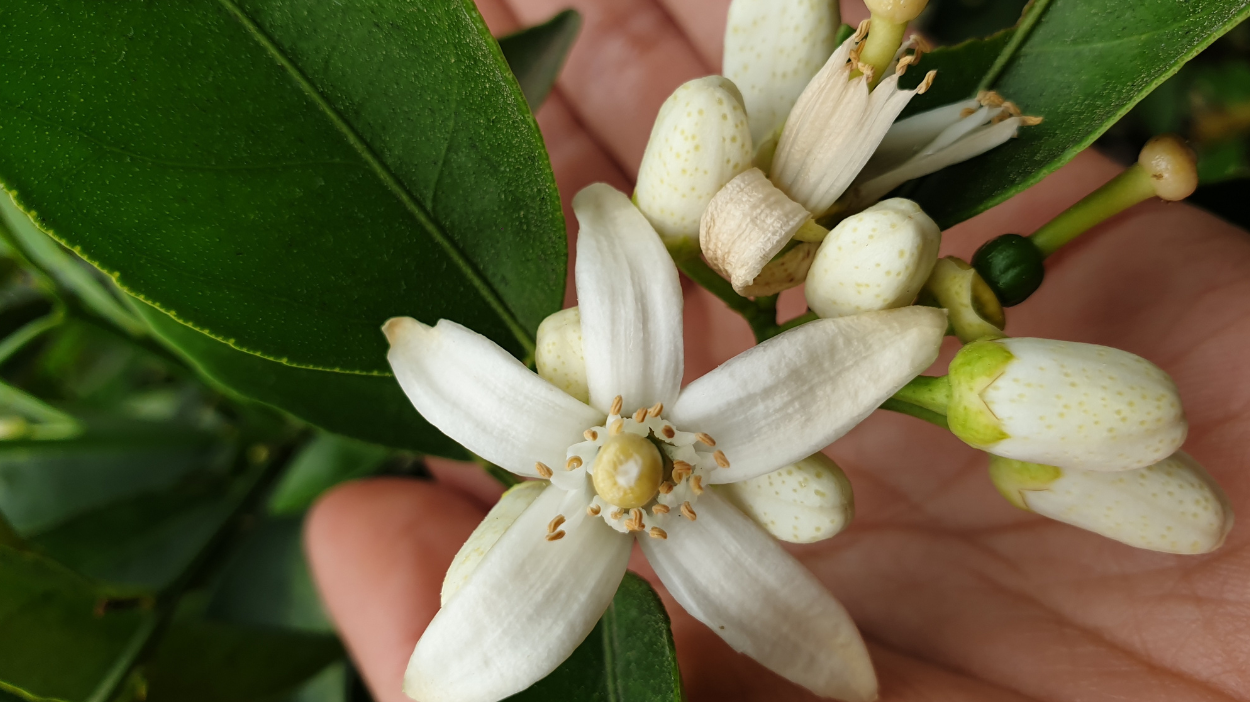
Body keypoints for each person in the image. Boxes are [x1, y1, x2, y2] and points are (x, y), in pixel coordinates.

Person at [305, 0, 1250, 699]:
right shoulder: (642, 471)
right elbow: (451, 361)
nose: (629, 471)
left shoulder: (670, 427)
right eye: (640, 469)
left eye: (623, 463)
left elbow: (823, 360)